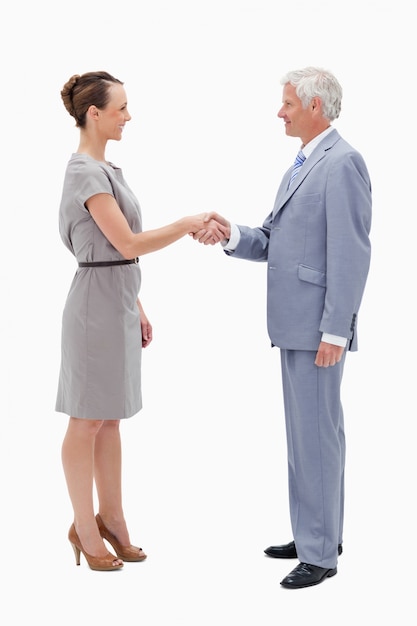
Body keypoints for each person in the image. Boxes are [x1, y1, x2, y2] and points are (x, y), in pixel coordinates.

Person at [195, 67, 372, 588]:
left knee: (317, 435)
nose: (281, 111)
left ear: (315, 106)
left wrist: (336, 330)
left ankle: (320, 554)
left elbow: (351, 252)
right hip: (294, 324)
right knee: (306, 437)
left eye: (288, 103)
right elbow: (272, 238)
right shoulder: (302, 163)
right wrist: (231, 236)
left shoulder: (343, 163)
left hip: (318, 328)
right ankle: (315, 531)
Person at [56, 71, 226, 571]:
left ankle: (114, 520)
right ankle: (85, 528)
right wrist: (185, 223)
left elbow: (117, 254)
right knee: (86, 418)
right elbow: (127, 244)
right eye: (122, 108)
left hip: (115, 298)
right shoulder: (84, 172)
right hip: (92, 307)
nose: (129, 116)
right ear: (95, 113)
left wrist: (136, 303)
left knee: (110, 416)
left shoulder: (107, 170)